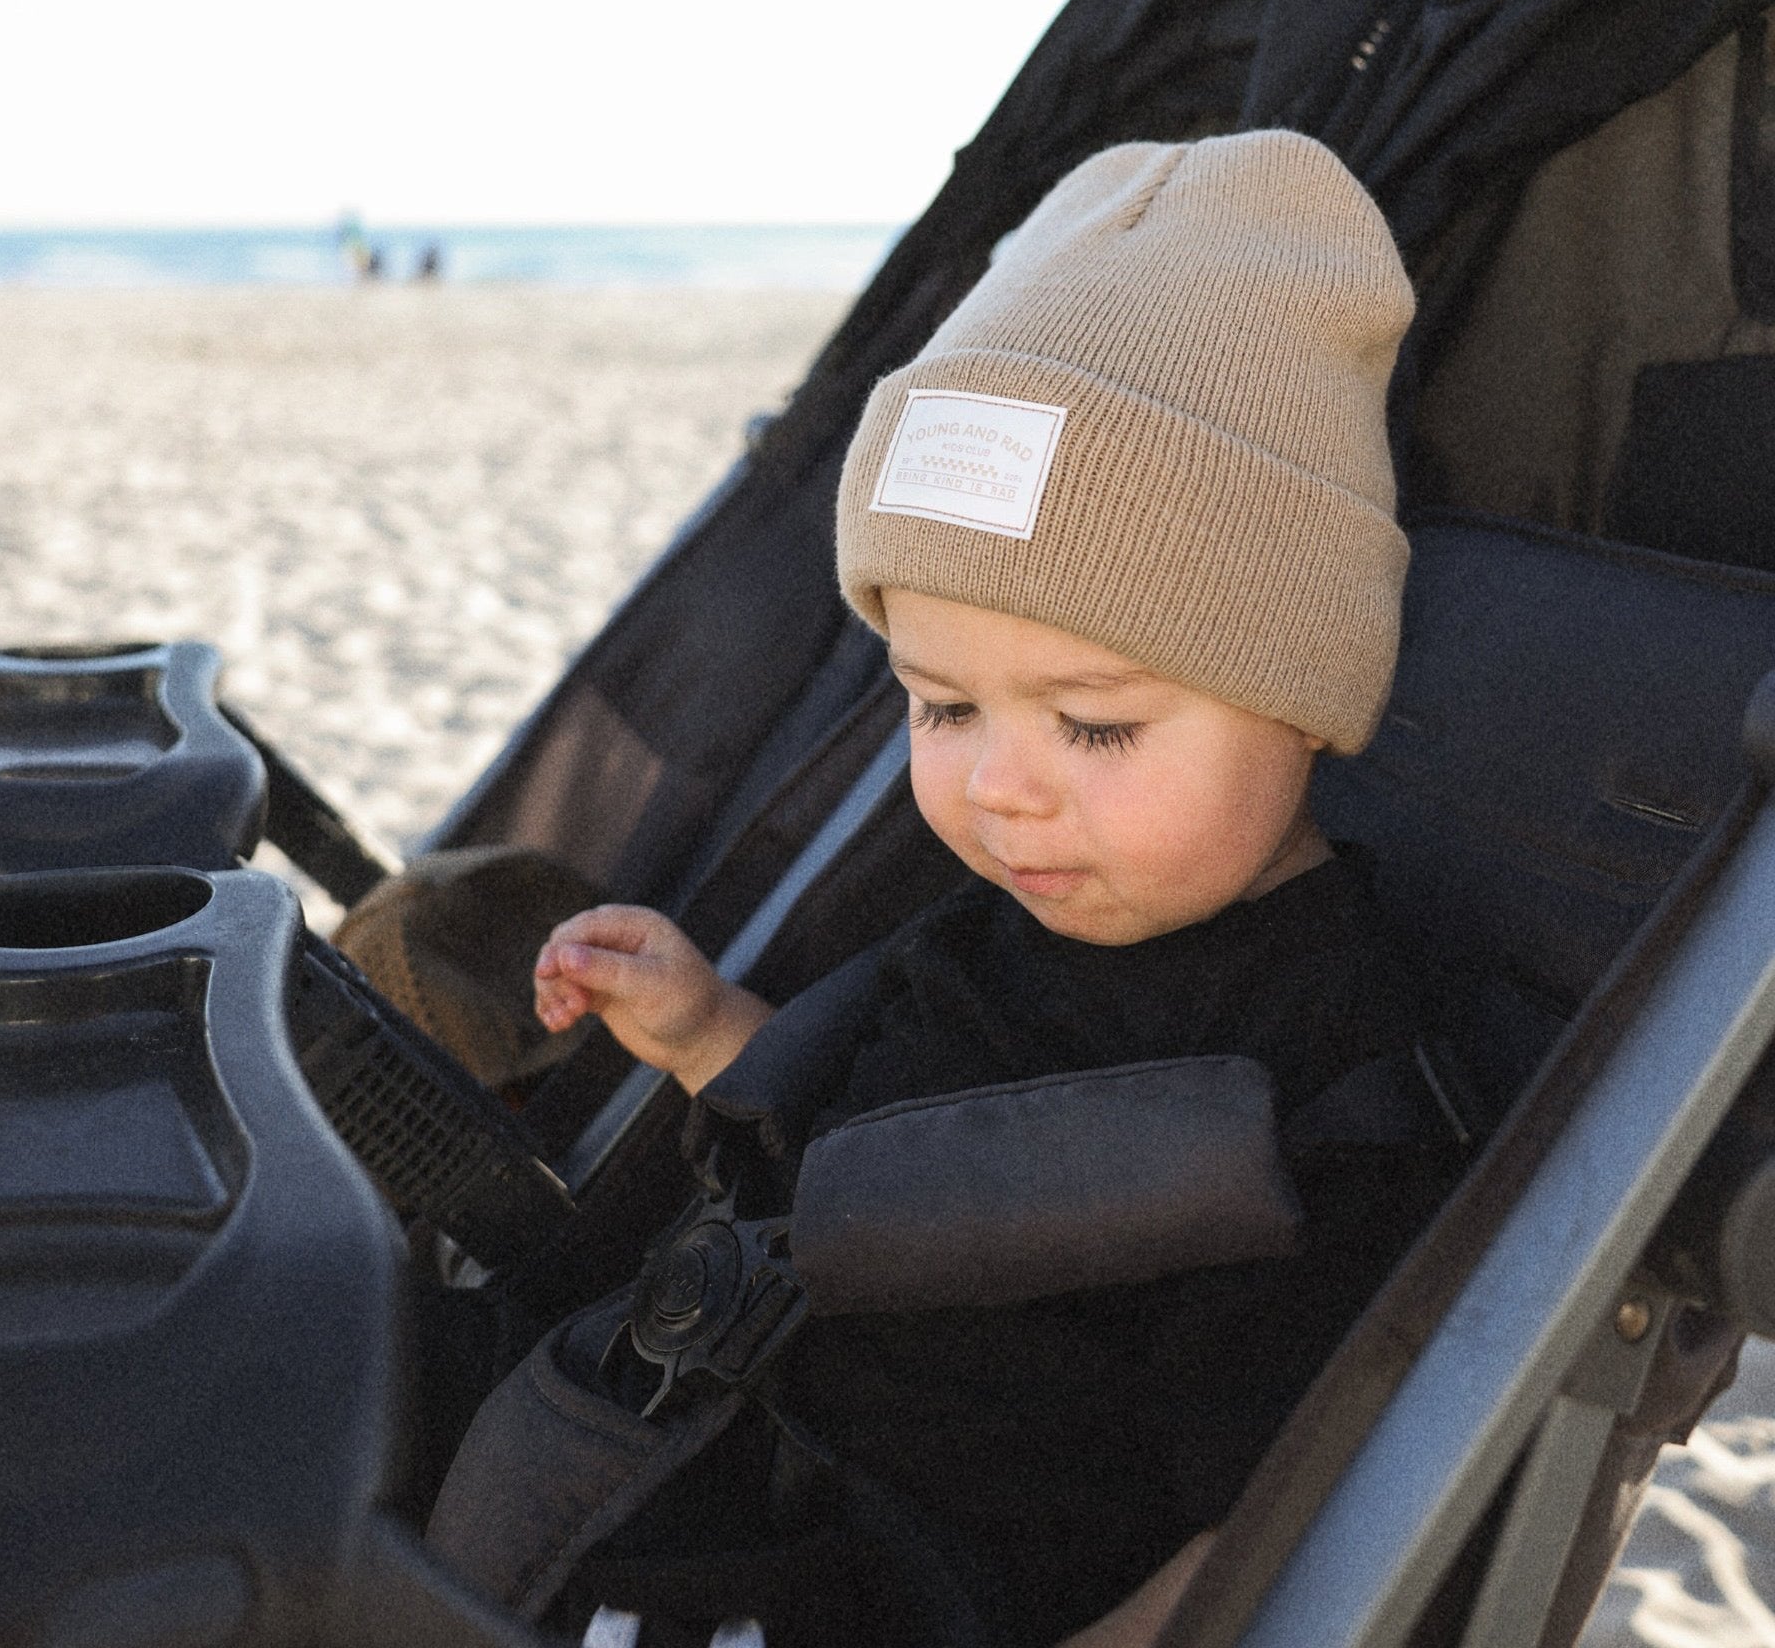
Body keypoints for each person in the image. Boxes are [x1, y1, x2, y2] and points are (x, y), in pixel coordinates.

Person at [429, 131, 1475, 1647]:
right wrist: (714, 1027)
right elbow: (882, 1143)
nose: (1001, 784)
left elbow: (1285, 1515)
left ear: (1304, 693)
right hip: (743, 1441)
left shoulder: (1333, 1086)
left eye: (1096, 722)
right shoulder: (1024, 904)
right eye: (942, 706)